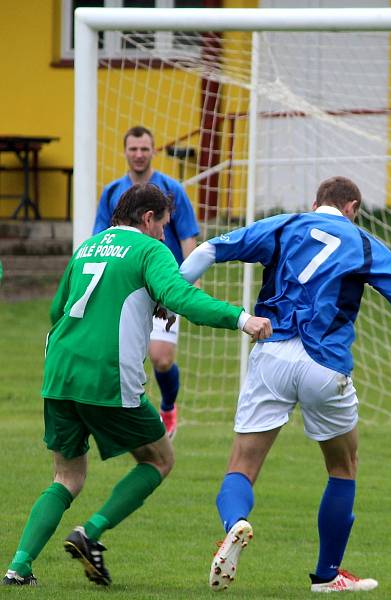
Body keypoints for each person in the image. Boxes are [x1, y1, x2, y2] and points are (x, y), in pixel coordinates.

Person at [178, 176, 391, 593]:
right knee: (342, 466)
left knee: (242, 465)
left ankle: (235, 524)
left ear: (316, 203)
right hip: (324, 364)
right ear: (353, 208)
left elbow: (209, 248)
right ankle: (327, 575)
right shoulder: (364, 243)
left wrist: (174, 293)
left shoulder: (285, 224)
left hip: (270, 351)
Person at [1, 184, 271, 587]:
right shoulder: (149, 250)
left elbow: (58, 310)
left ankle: (18, 569)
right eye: (163, 224)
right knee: (160, 459)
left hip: (58, 373)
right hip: (107, 376)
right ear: (148, 219)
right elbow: (181, 296)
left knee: (67, 478)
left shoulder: (88, 248)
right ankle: (89, 533)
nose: (165, 233)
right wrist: (240, 318)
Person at [93, 125, 200, 438]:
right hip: (126, 289)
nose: (139, 155)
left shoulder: (171, 189)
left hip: (163, 287)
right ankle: (121, 416)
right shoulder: (113, 193)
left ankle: (168, 407)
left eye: (144, 149)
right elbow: (101, 236)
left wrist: (189, 282)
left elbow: (187, 237)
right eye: (133, 149)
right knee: (122, 355)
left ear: (154, 151)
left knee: (161, 358)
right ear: (125, 151)